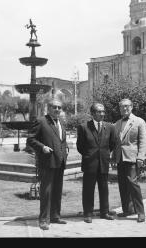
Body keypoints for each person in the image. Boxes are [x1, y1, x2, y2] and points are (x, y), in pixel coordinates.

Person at [27, 97, 68, 230]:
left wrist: (65, 148)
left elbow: (61, 140)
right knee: (46, 192)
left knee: (57, 190)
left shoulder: (61, 122)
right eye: (54, 107)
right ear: (48, 108)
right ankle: (44, 220)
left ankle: (55, 216)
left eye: (59, 107)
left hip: (60, 161)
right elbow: (30, 139)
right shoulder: (41, 121)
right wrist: (42, 147)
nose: (57, 110)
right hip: (47, 162)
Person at [76, 102, 116, 223]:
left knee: (104, 189)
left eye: (103, 111)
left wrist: (104, 155)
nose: (102, 114)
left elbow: (112, 144)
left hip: (103, 163)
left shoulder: (110, 127)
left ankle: (105, 212)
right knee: (88, 189)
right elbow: (80, 146)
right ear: (92, 113)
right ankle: (88, 214)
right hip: (90, 164)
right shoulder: (83, 127)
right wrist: (89, 155)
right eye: (99, 111)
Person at [111, 98, 146, 222]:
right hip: (120, 158)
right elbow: (115, 142)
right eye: (122, 107)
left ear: (131, 107)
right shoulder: (116, 123)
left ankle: (140, 212)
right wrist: (112, 156)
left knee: (133, 184)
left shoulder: (139, 121)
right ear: (119, 109)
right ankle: (127, 210)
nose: (124, 108)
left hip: (132, 158)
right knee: (123, 185)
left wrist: (140, 157)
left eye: (127, 106)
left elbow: (143, 141)